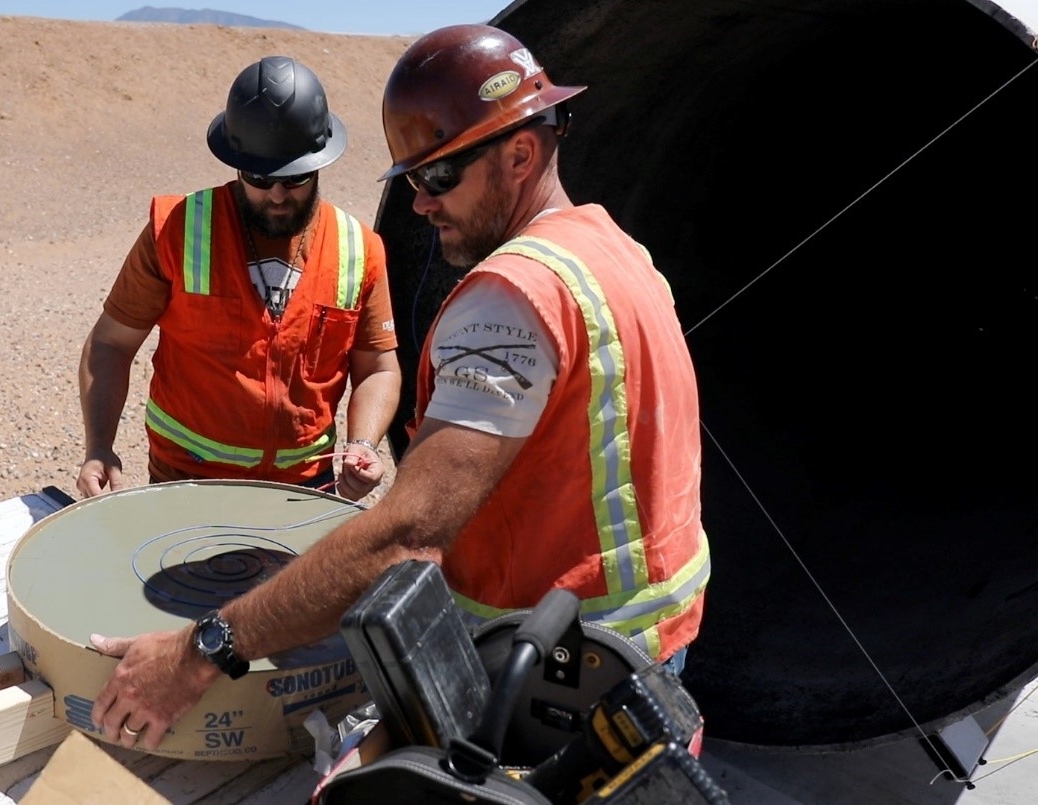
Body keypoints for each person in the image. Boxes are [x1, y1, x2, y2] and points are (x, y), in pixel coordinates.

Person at [88, 25, 711, 752]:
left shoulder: (513, 297)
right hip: (640, 648)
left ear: (520, 154)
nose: (419, 204)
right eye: (412, 180)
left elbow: (406, 534)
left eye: (438, 176)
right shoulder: (615, 249)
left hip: (565, 669)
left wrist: (200, 653)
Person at [75, 56, 401, 502]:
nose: (278, 195)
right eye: (260, 178)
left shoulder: (359, 248)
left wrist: (363, 444)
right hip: (185, 480)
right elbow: (111, 342)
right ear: (236, 163)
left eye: (297, 177)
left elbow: (378, 367)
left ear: (321, 161)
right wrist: (99, 446)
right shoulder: (176, 229)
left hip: (305, 490)